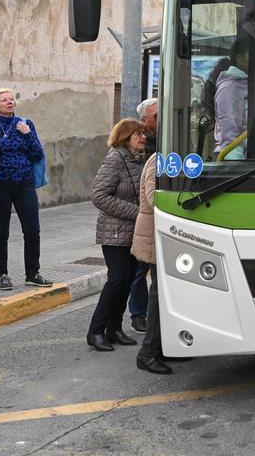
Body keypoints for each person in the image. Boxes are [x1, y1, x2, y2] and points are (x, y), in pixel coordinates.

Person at [87, 118, 148, 351]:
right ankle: (95, 331)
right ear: (125, 137)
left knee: (127, 282)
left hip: (134, 232)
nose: (143, 137)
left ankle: (114, 329)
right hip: (114, 232)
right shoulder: (115, 159)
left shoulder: (138, 160)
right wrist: (137, 212)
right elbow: (99, 196)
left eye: (143, 133)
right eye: (137, 134)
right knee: (117, 280)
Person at [0, 89, 50, 290]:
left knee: (32, 229)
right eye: (4, 100)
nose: (9, 102)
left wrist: (28, 135)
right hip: (1, 185)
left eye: (11, 99)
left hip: (25, 183)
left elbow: (37, 153)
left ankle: (32, 273)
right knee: (0, 231)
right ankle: (1, 274)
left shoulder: (25, 123)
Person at [131, 151, 170, 373]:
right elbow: (154, 196)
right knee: (158, 294)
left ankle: (160, 348)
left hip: (158, 234)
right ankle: (147, 353)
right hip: (153, 235)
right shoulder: (158, 159)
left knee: (163, 294)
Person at [126, 97, 158, 333]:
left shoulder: (168, 137)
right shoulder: (133, 148)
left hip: (148, 216)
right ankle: (138, 314)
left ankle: (151, 314)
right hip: (139, 217)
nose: (158, 121)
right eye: (155, 117)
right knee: (138, 270)